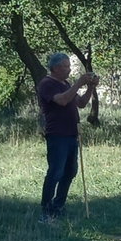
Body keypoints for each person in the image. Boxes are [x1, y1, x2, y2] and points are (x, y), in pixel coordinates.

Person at [36, 52, 96, 220]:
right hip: (57, 134)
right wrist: (78, 83)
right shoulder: (47, 84)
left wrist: (90, 86)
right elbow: (62, 101)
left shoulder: (65, 83)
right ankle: (46, 209)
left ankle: (58, 205)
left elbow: (81, 103)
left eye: (69, 66)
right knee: (55, 171)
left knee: (70, 171)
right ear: (55, 68)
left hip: (71, 134)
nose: (69, 70)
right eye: (66, 66)